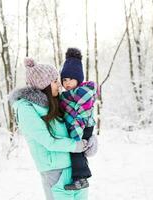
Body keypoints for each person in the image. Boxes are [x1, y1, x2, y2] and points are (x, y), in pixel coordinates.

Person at [9, 57, 96, 200]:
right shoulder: (26, 108)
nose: (60, 85)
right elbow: (48, 141)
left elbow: (76, 124)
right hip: (55, 173)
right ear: (44, 84)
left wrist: (90, 140)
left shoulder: (56, 102)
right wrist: (76, 146)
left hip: (75, 170)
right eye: (55, 81)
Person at [59, 48, 99, 190]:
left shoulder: (84, 92)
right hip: (76, 125)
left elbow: (82, 114)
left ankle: (81, 179)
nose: (67, 82)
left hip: (84, 125)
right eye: (64, 79)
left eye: (71, 79)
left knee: (76, 151)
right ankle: (80, 177)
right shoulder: (68, 95)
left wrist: (76, 138)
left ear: (78, 78)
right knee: (77, 151)